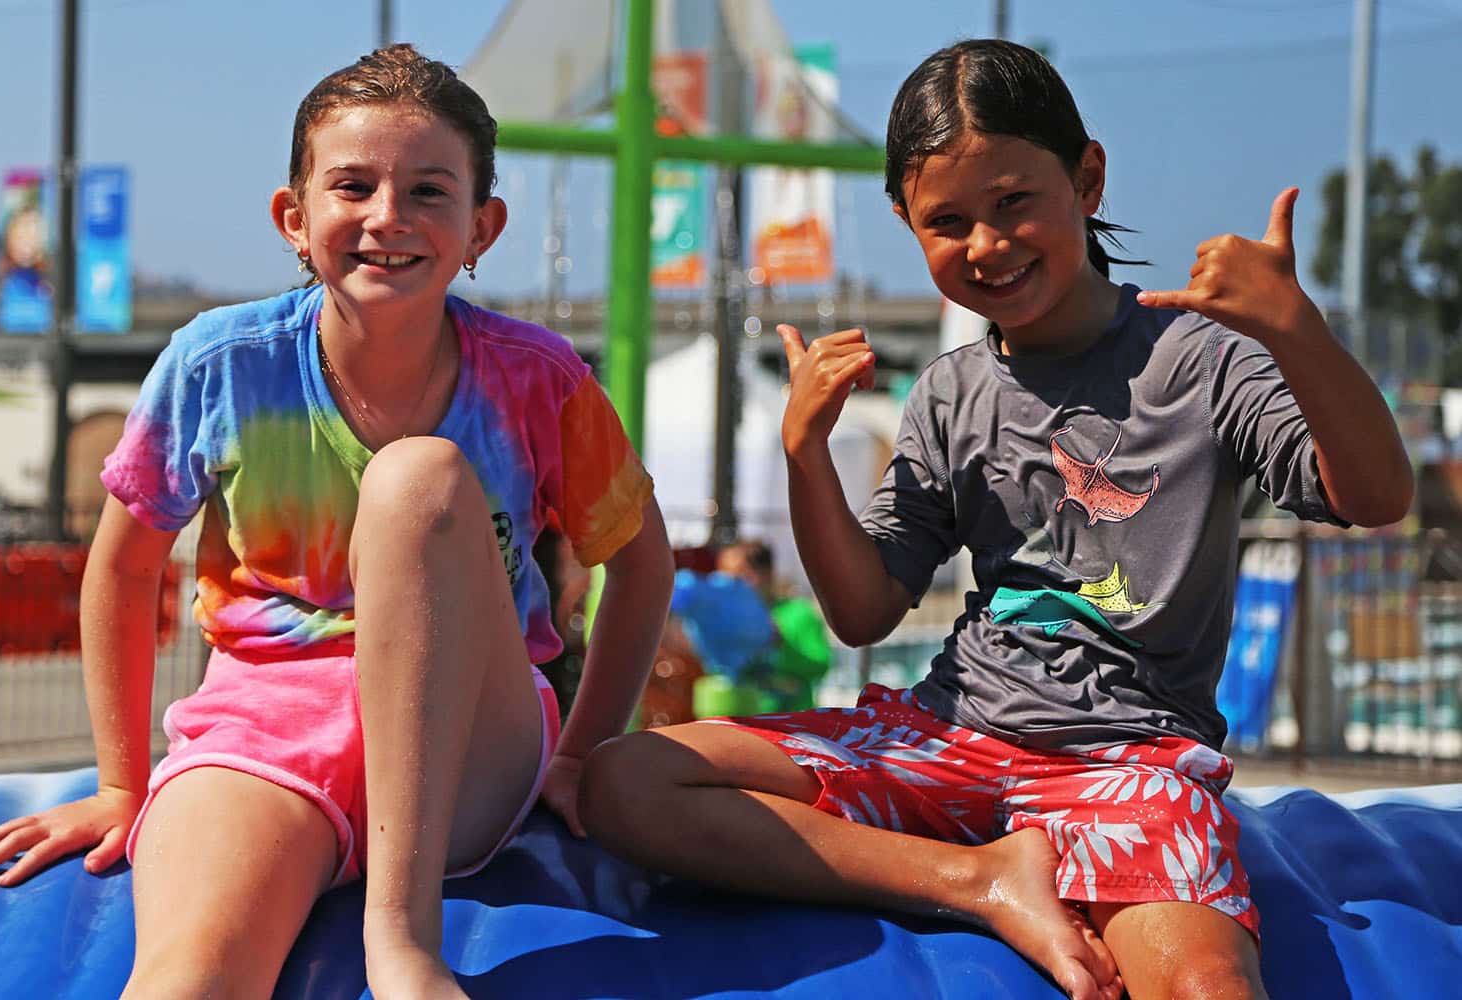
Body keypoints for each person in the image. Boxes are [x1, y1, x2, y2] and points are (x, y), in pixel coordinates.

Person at [579, 39, 1412, 1000]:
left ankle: (1004, 872)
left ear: (1087, 178)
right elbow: (863, 612)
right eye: (949, 220)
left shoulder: (1201, 360)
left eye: (1015, 201)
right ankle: (980, 881)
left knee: (1205, 987)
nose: (987, 243)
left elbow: (1376, 497)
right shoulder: (951, 392)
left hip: (1126, 762)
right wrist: (806, 455)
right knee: (626, 782)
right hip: (945, 739)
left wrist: (1294, 330)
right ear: (907, 221)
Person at [0, 44, 673, 1000]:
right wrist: (123, 787)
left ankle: (402, 936)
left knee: (417, 481)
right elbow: (125, 569)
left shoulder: (537, 380)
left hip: (466, 742)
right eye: (354, 186)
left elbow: (641, 564)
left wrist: (583, 753)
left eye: (429, 191)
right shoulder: (222, 363)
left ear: (482, 227)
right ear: (294, 220)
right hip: (267, 733)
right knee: (191, 977)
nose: (390, 217)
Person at [716, 539, 833, 711]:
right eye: (724, 579)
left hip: (790, 724)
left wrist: (779, 642)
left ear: (766, 574)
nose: (732, 587)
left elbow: (820, 664)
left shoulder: (797, 613)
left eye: (741, 577)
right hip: (736, 720)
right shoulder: (726, 619)